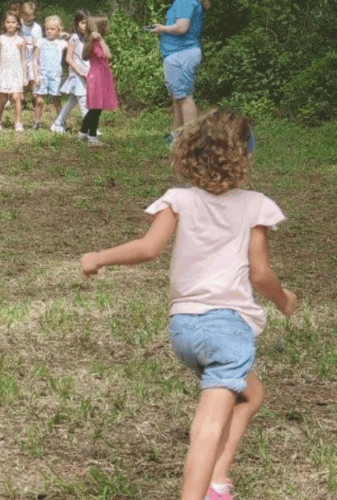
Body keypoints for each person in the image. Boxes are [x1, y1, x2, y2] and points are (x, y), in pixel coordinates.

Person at [80, 109, 297, 500]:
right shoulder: (254, 205)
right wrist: (285, 300)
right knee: (208, 421)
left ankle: (217, 475)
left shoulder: (178, 199)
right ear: (245, 157)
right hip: (228, 330)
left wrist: (99, 256)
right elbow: (261, 274)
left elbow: (148, 249)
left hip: (184, 329)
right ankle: (199, 493)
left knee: (252, 394)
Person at [150, 0, 208, 141]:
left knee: (184, 98)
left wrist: (162, 29)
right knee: (178, 97)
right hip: (178, 54)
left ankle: (190, 139)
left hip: (181, 54)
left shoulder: (185, 1)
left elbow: (182, 28)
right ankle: (177, 134)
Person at [80, 15, 117, 146]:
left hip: (101, 75)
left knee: (95, 107)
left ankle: (83, 132)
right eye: (107, 25)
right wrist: (101, 40)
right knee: (96, 107)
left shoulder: (94, 42)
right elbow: (108, 55)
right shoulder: (96, 43)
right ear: (101, 28)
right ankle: (92, 136)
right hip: (97, 76)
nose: (109, 28)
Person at [51, 10, 90, 134]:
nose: (85, 26)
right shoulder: (74, 38)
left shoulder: (88, 38)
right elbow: (68, 58)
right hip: (77, 75)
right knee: (84, 102)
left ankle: (57, 124)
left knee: (72, 101)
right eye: (83, 23)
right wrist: (79, 71)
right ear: (77, 23)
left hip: (85, 73)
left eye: (88, 23)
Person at [0, 12, 27, 131]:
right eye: (8, 22)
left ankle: (17, 122)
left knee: (16, 97)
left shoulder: (21, 41)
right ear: (4, 24)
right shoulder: (0, 39)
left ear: (18, 24)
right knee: (3, 99)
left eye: (13, 22)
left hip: (16, 72)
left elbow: (23, 59)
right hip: (3, 72)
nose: (10, 24)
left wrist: (25, 76)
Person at [31, 16, 67, 130]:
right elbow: (34, 59)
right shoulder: (41, 42)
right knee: (39, 100)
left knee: (56, 99)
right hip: (42, 74)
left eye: (52, 29)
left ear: (59, 30)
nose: (49, 31)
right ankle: (36, 122)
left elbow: (73, 45)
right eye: (47, 29)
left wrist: (65, 35)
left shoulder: (61, 43)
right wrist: (35, 76)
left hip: (55, 75)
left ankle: (61, 122)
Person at [19, 2, 41, 107]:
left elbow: (39, 44)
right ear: (22, 14)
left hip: (32, 56)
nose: (28, 18)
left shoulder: (37, 28)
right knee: (22, 78)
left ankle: (34, 98)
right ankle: (22, 99)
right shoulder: (19, 25)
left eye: (31, 16)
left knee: (33, 78)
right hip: (20, 56)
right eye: (26, 15)